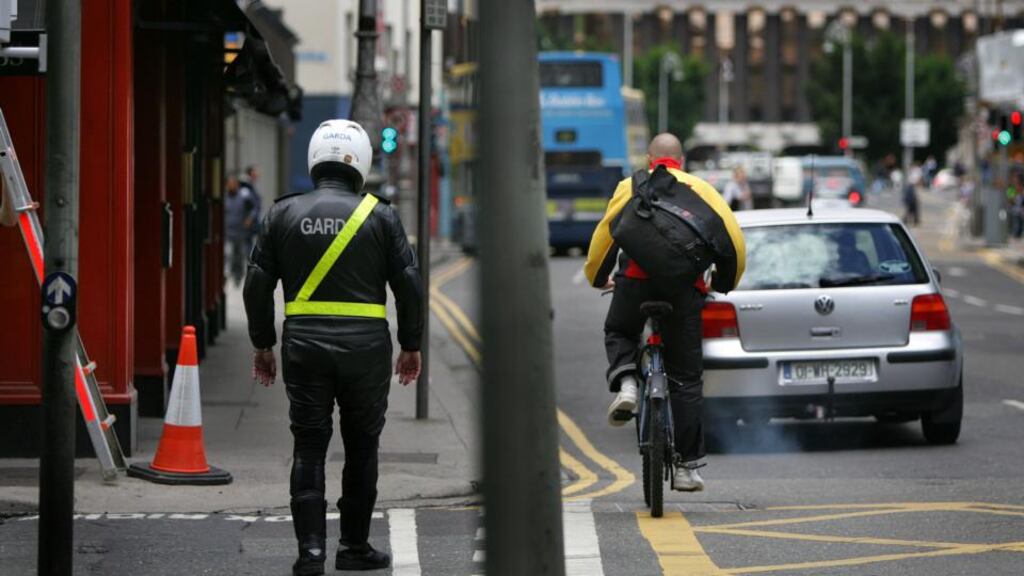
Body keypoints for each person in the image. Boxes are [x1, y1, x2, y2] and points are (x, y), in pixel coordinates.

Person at [243, 119, 423, 575]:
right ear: (361, 162)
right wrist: (411, 344)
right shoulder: (380, 216)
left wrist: (263, 344)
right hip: (366, 350)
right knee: (362, 446)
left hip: (303, 346)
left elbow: (256, 287)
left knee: (308, 446)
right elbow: (410, 286)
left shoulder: (282, 213)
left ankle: (311, 553)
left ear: (314, 160)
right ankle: (354, 547)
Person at [584, 133, 745, 492]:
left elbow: (605, 236)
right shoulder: (703, 190)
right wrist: (724, 280)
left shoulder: (631, 186)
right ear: (681, 160)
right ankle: (688, 468)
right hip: (683, 290)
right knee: (685, 378)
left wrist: (597, 277)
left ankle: (627, 382)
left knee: (620, 330)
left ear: (649, 159)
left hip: (635, 283)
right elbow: (734, 240)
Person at [224, 173, 260, 287]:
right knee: (229, 255)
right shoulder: (224, 197)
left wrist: (250, 219)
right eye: (229, 184)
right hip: (227, 232)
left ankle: (238, 276)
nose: (231, 186)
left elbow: (255, 208)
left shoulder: (245, 196)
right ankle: (229, 274)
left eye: (233, 184)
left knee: (239, 255)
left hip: (241, 232)